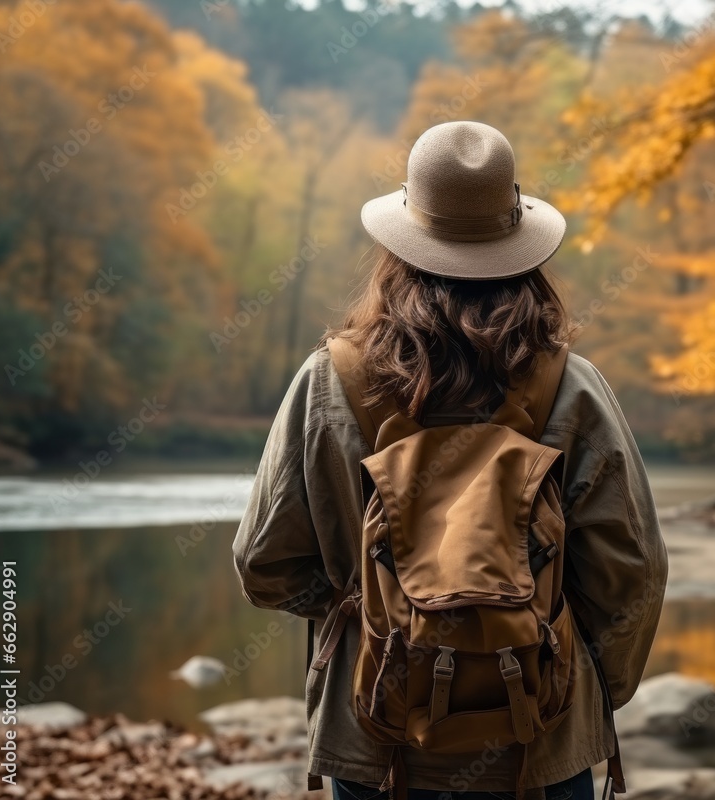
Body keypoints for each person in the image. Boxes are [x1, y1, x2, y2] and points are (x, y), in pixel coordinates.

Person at [232, 121, 668, 800]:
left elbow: (263, 562)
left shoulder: (330, 381)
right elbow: (634, 571)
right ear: (520, 244)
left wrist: (369, 610)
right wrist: (579, 678)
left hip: (374, 741)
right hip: (542, 747)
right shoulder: (573, 387)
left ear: (401, 245)